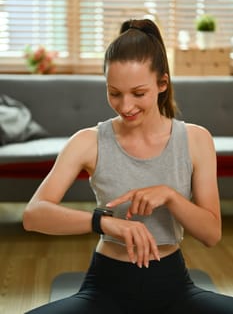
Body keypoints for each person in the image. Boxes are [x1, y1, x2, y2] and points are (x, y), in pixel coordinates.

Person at [23, 18, 233, 314]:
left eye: (138, 93)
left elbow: (211, 234)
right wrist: (104, 222)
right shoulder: (88, 141)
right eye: (114, 93)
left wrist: (170, 196)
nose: (125, 106)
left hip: (174, 288)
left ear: (162, 83)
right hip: (105, 290)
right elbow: (34, 215)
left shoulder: (196, 139)